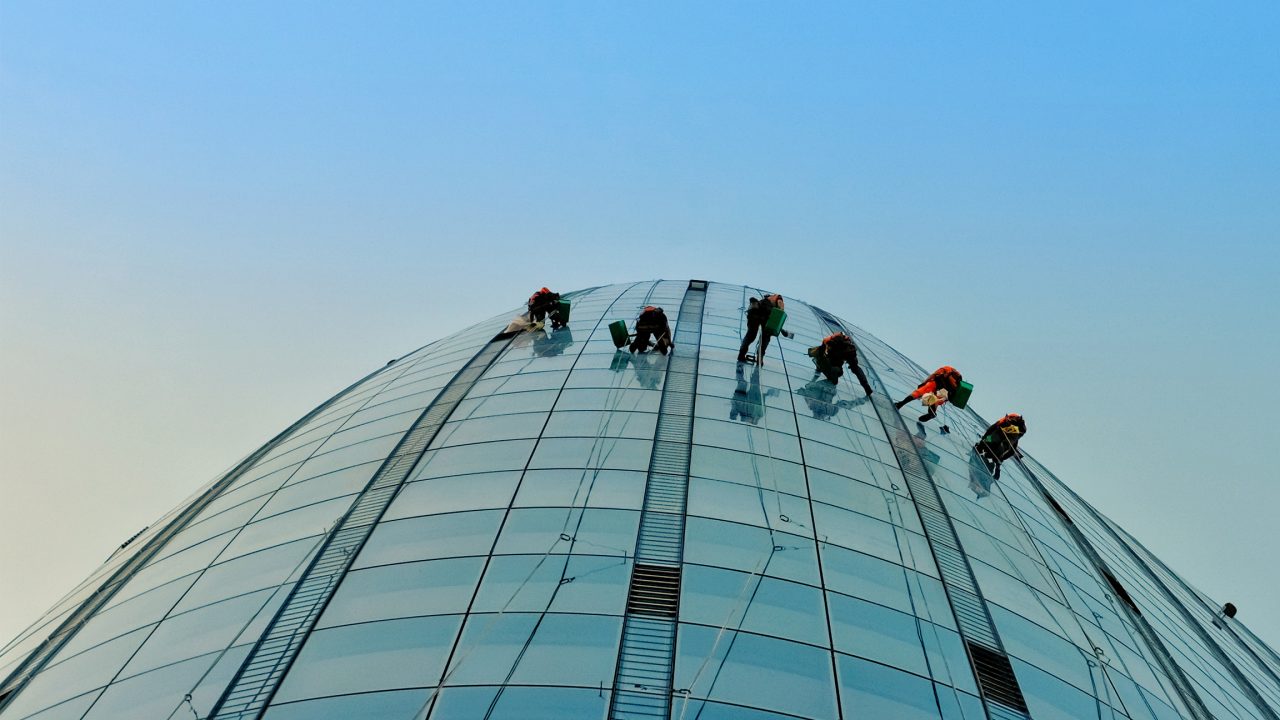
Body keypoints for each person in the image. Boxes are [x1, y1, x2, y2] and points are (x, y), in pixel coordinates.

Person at [893, 365, 962, 423]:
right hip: (945, 392)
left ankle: (901, 404)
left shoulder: (947, 368)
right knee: (934, 401)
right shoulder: (957, 381)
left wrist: (924, 383)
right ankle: (932, 413)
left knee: (919, 392)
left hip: (936, 384)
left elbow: (934, 375)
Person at [737, 293, 792, 364]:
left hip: (754, 311)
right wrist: (781, 313)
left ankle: (741, 354)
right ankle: (760, 358)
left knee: (750, 335)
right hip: (765, 314)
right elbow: (779, 311)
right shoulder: (778, 298)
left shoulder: (762, 301)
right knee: (765, 337)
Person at [974, 413, 1027, 480]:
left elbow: (990, 430)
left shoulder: (1011, 431)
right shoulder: (1013, 433)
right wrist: (999, 463)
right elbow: (1012, 451)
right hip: (997, 446)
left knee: (993, 440)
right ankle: (982, 448)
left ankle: (982, 448)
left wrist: (983, 441)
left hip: (996, 444)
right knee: (994, 441)